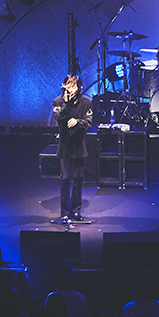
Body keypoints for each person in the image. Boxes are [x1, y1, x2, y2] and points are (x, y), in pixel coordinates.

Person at [52, 75, 93, 222]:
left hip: (79, 144)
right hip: (65, 145)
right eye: (68, 85)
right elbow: (58, 117)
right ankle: (64, 212)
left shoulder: (87, 102)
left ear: (79, 87)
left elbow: (88, 122)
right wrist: (66, 104)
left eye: (73, 86)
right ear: (64, 86)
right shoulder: (57, 102)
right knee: (65, 178)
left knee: (78, 178)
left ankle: (76, 211)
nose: (71, 89)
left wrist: (78, 122)